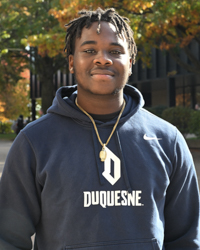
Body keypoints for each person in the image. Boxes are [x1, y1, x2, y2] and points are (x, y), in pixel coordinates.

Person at [0, 8, 199, 250]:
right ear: (72, 62)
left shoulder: (167, 139)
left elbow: (186, 240)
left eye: (115, 51)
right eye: (89, 50)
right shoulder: (34, 141)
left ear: (131, 62)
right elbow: (9, 238)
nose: (102, 58)